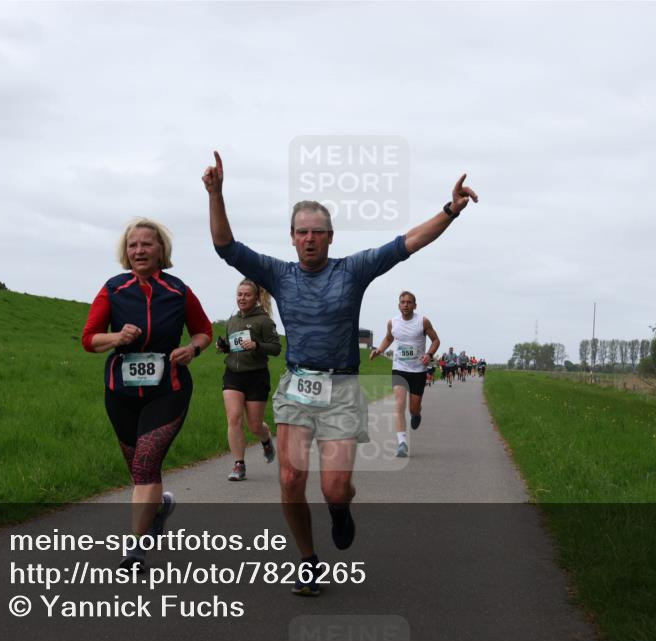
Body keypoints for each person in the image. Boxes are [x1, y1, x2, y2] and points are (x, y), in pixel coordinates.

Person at [204, 151, 477, 595]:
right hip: (298, 385)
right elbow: (225, 248)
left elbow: (409, 242)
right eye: (302, 232)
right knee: (291, 479)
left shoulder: (353, 270)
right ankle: (308, 561)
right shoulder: (278, 272)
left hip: (343, 387)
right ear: (291, 238)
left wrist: (449, 210)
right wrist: (216, 194)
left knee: (334, 489)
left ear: (331, 237)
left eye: (318, 232)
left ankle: (340, 508)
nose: (309, 239)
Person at [82, 218, 213, 571]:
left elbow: (203, 331)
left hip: (168, 390)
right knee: (139, 472)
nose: (139, 250)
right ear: (126, 252)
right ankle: (158, 509)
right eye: (132, 245)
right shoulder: (113, 288)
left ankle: (135, 551)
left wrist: (192, 350)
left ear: (161, 251)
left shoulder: (178, 291)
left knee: (145, 465)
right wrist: (116, 338)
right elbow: (89, 339)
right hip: (121, 392)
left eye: (146, 244)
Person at [217, 278, 281, 481]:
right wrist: (224, 347)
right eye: (239, 294)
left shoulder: (264, 321)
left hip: (256, 376)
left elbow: (276, 348)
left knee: (254, 425)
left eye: (247, 295)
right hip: (233, 374)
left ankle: (265, 439)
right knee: (234, 418)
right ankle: (239, 465)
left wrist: (257, 345)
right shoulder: (232, 320)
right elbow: (233, 345)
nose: (242, 298)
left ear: (256, 298)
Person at [369, 291, 440, 458]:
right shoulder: (393, 322)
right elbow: (388, 338)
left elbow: (436, 340)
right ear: (398, 305)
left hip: (418, 370)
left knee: (412, 408)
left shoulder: (423, 321)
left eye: (409, 302)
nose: (405, 304)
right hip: (399, 368)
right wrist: (379, 350)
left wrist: (428, 355)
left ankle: (417, 414)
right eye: (402, 302)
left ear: (415, 305)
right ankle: (402, 443)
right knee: (399, 404)